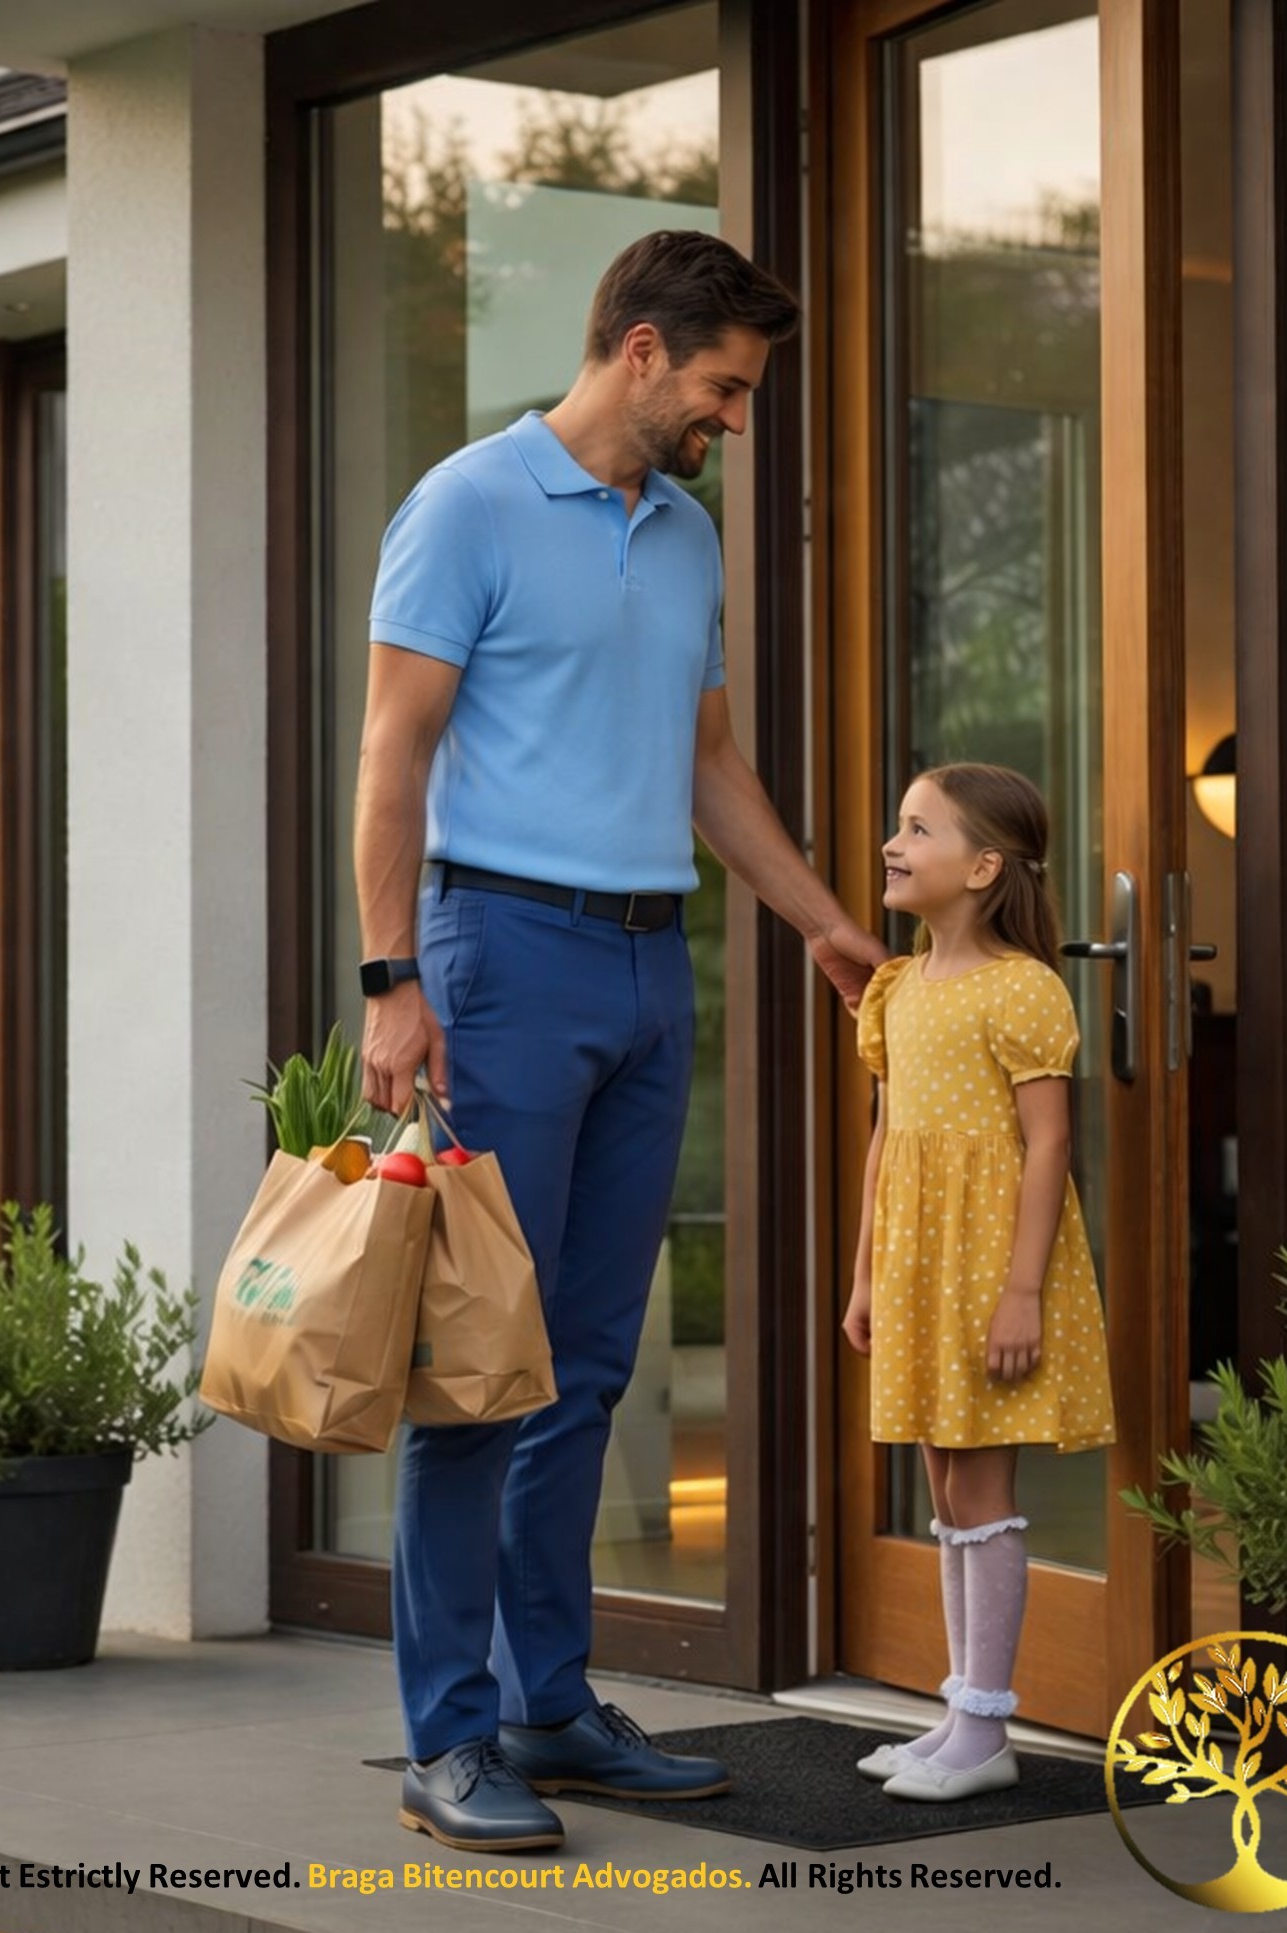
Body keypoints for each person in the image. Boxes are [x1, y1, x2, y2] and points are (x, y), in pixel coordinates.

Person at [354, 229, 885, 1854]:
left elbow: (709, 763)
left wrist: (818, 919)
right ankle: (447, 1734)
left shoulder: (690, 535)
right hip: (501, 953)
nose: (733, 416)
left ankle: (549, 1700)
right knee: (474, 1370)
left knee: (582, 1364)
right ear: (643, 352)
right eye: (723, 386)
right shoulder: (466, 503)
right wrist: (390, 976)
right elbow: (392, 748)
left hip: (656, 970)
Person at [840, 763, 1117, 1803]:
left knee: (980, 1487)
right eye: (895, 824)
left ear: (983, 866)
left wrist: (1021, 1292)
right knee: (939, 1480)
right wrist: (865, 1275)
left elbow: (1047, 1148)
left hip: (987, 1263)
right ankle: (957, 1711)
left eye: (916, 828)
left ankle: (986, 1726)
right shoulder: (897, 988)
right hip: (914, 1265)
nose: (890, 843)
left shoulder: (1021, 989)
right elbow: (884, 1140)